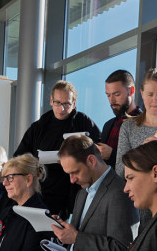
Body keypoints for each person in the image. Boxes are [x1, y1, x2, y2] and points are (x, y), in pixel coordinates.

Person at [15, 80, 101, 219]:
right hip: (42, 191)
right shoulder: (39, 127)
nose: (61, 108)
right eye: (57, 103)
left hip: (73, 190)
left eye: (66, 104)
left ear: (73, 104)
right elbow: (20, 157)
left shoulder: (83, 122)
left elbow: (98, 151)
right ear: (51, 101)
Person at [115, 67, 157, 177]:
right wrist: (141, 153)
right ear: (142, 93)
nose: (155, 100)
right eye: (150, 94)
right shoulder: (128, 128)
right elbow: (120, 171)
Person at [97, 70, 142, 168]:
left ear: (131, 91)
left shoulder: (145, 123)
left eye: (116, 94)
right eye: (108, 95)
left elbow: (143, 162)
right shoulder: (108, 125)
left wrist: (112, 155)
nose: (111, 100)